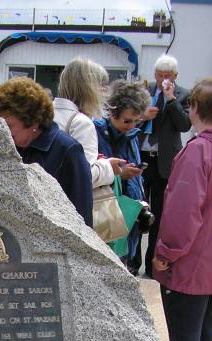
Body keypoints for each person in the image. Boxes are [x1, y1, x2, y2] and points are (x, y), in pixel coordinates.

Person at [152, 77, 212, 341]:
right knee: (205, 327)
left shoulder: (197, 151)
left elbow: (183, 212)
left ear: (195, 109)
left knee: (184, 330)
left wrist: (165, 253)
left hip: (190, 260)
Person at [0, 77, 93, 227]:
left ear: (33, 122)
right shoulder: (6, 147)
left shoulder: (68, 151)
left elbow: (83, 216)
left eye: (8, 125)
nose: (1, 131)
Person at [139, 54, 191, 277]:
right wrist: (142, 116)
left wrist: (170, 100)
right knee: (137, 209)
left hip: (164, 162)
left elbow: (184, 124)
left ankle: (152, 263)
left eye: (167, 76)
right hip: (141, 157)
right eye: (159, 76)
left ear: (175, 77)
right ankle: (131, 262)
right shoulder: (145, 90)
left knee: (159, 214)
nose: (162, 80)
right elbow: (127, 117)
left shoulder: (183, 95)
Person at [94, 80, 151, 265]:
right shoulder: (96, 132)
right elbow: (93, 174)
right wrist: (119, 174)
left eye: (136, 121)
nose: (131, 125)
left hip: (129, 215)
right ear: (112, 112)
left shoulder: (131, 135)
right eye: (127, 121)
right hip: (107, 218)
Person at [53, 58, 124, 187]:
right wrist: (108, 166)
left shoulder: (45, 113)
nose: (103, 90)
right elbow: (85, 176)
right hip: (68, 202)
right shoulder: (81, 123)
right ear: (88, 87)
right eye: (100, 84)